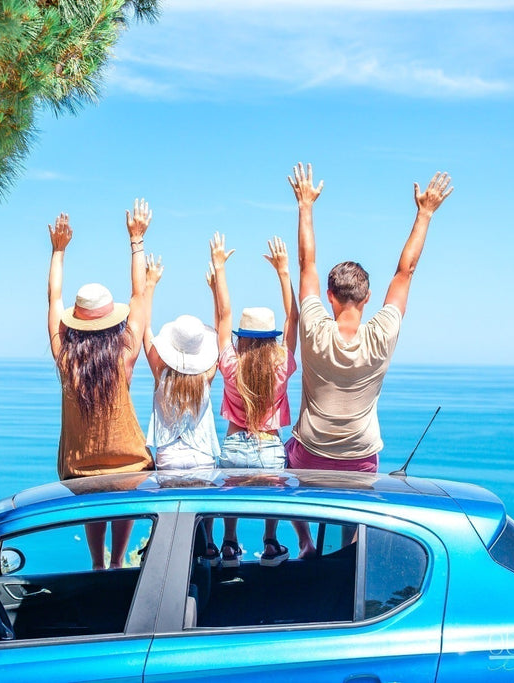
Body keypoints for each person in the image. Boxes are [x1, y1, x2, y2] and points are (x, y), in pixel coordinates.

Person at [284, 162, 452, 556]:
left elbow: (307, 264)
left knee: (285, 457)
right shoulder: (381, 335)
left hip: (310, 453)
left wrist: (305, 205)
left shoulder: (314, 329)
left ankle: (306, 543)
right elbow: (406, 272)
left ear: (329, 296)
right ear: (368, 298)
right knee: (354, 516)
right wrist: (425, 213)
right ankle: (349, 556)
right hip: (360, 456)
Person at [47, 202, 156, 570]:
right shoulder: (124, 355)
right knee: (125, 492)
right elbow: (139, 297)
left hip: (80, 470)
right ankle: (118, 560)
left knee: (92, 499)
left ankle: (98, 563)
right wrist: (136, 240)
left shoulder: (67, 360)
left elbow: (54, 300)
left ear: (76, 324)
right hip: (129, 465)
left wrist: (58, 251)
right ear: (112, 321)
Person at [209, 232, 298, 567]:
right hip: (270, 447)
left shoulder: (231, 364)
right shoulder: (281, 364)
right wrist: (284, 271)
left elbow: (224, 316)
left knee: (230, 499)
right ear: (271, 338)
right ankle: (271, 543)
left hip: (234, 445)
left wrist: (219, 268)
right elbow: (293, 319)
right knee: (271, 500)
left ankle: (229, 544)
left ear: (242, 338)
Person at [143, 263, 221, 562]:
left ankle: (166, 559)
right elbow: (223, 326)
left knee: (171, 516)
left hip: (169, 457)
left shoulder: (160, 373)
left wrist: (150, 284)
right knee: (203, 514)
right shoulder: (206, 377)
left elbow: (145, 329)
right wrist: (215, 289)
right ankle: (209, 546)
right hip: (202, 454)